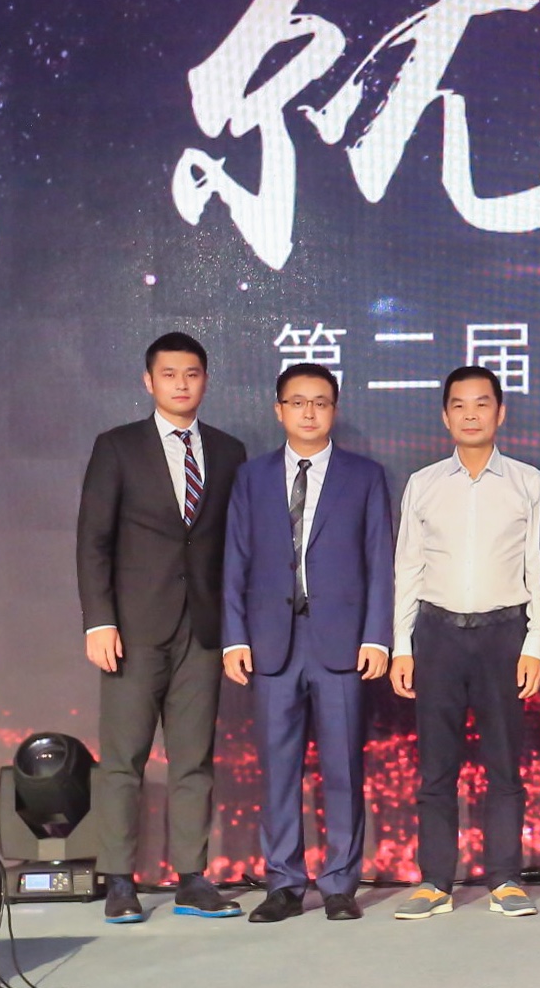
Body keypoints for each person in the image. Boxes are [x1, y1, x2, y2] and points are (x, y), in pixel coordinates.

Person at [75, 332, 248, 923]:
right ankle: (120, 880)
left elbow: (234, 547)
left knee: (193, 760)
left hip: (203, 629)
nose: (181, 383)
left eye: (192, 373)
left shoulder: (228, 451)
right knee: (123, 760)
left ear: (205, 381)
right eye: (169, 374)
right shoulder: (118, 447)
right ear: (148, 381)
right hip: (133, 629)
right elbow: (93, 541)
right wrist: (99, 620)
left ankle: (192, 878)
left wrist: (235, 628)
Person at [223, 362, 395, 923]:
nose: (309, 412)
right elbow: (235, 561)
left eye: (320, 402)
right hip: (272, 642)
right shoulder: (251, 478)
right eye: (297, 402)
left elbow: (380, 560)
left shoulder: (364, 476)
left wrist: (377, 637)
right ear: (279, 410)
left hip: (341, 643)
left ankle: (340, 883)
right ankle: (284, 883)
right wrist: (234, 638)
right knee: (278, 770)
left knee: (343, 767)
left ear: (334, 410)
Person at [388, 366, 540, 921]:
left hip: (504, 634)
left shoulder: (528, 483)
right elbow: (408, 568)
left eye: (482, 404)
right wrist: (402, 645)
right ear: (445, 416)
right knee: (436, 768)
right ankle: (435, 881)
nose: (471, 414)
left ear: (500, 413)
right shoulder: (424, 483)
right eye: (459, 405)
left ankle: (505, 878)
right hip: (436, 636)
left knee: (503, 765)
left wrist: (535, 644)